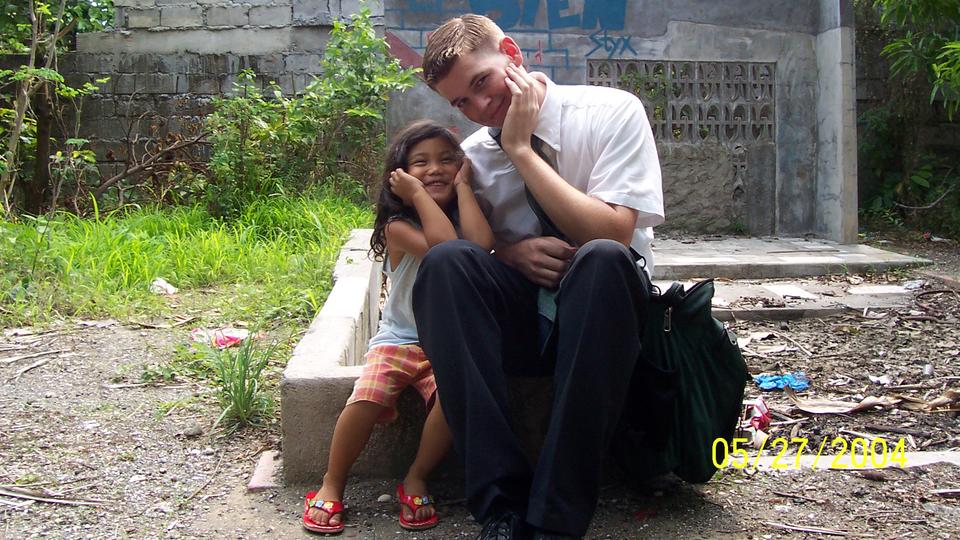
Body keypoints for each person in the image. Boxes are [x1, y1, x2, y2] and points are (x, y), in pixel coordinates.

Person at [413, 14, 665, 540]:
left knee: (602, 259)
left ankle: (555, 518)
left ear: (511, 53)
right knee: (447, 264)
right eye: (461, 103)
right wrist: (509, 253)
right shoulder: (473, 158)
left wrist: (521, 150)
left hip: (606, 325)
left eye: (482, 82)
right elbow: (476, 253)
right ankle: (500, 507)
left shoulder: (611, 112)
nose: (481, 107)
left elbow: (614, 232)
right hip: (528, 323)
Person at [302, 120, 495, 534]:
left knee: (453, 399)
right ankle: (332, 482)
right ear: (400, 176)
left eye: (447, 160)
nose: (435, 169)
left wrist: (464, 188)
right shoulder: (398, 227)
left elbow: (478, 247)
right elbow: (445, 250)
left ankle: (416, 477)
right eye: (420, 163)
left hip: (444, 344)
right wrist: (419, 196)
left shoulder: (466, 215)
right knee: (368, 397)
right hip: (399, 340)